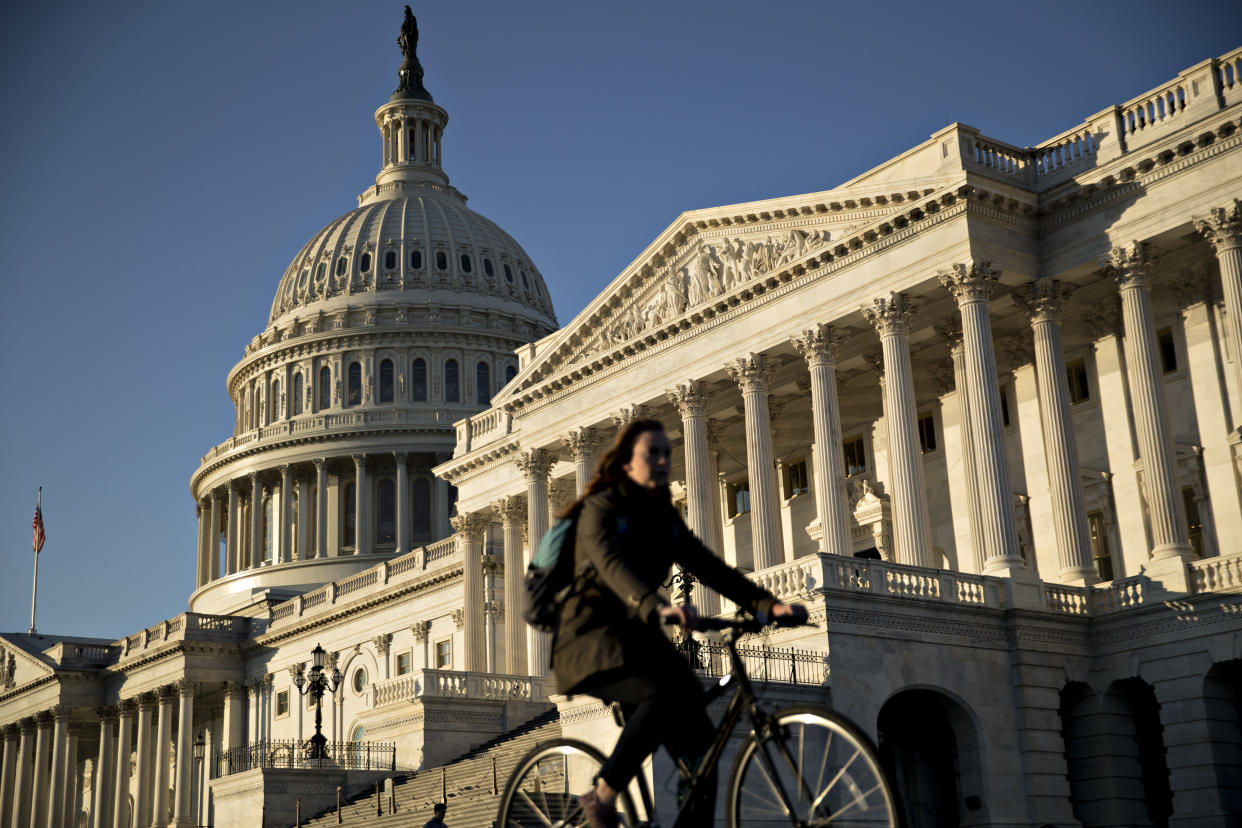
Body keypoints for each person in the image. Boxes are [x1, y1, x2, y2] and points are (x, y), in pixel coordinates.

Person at [550, 418, 807, 828]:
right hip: (592, 643)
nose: (661, 460)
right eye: (650, 453)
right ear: (626, 463)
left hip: (642, 641)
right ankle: (601, 795)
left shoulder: (663, 519)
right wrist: (654, 604)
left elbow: (709, 567)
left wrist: (767, 605)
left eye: (665, 453)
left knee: (704, 753)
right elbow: (610, 564)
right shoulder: (602, 508)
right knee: (662, 694)